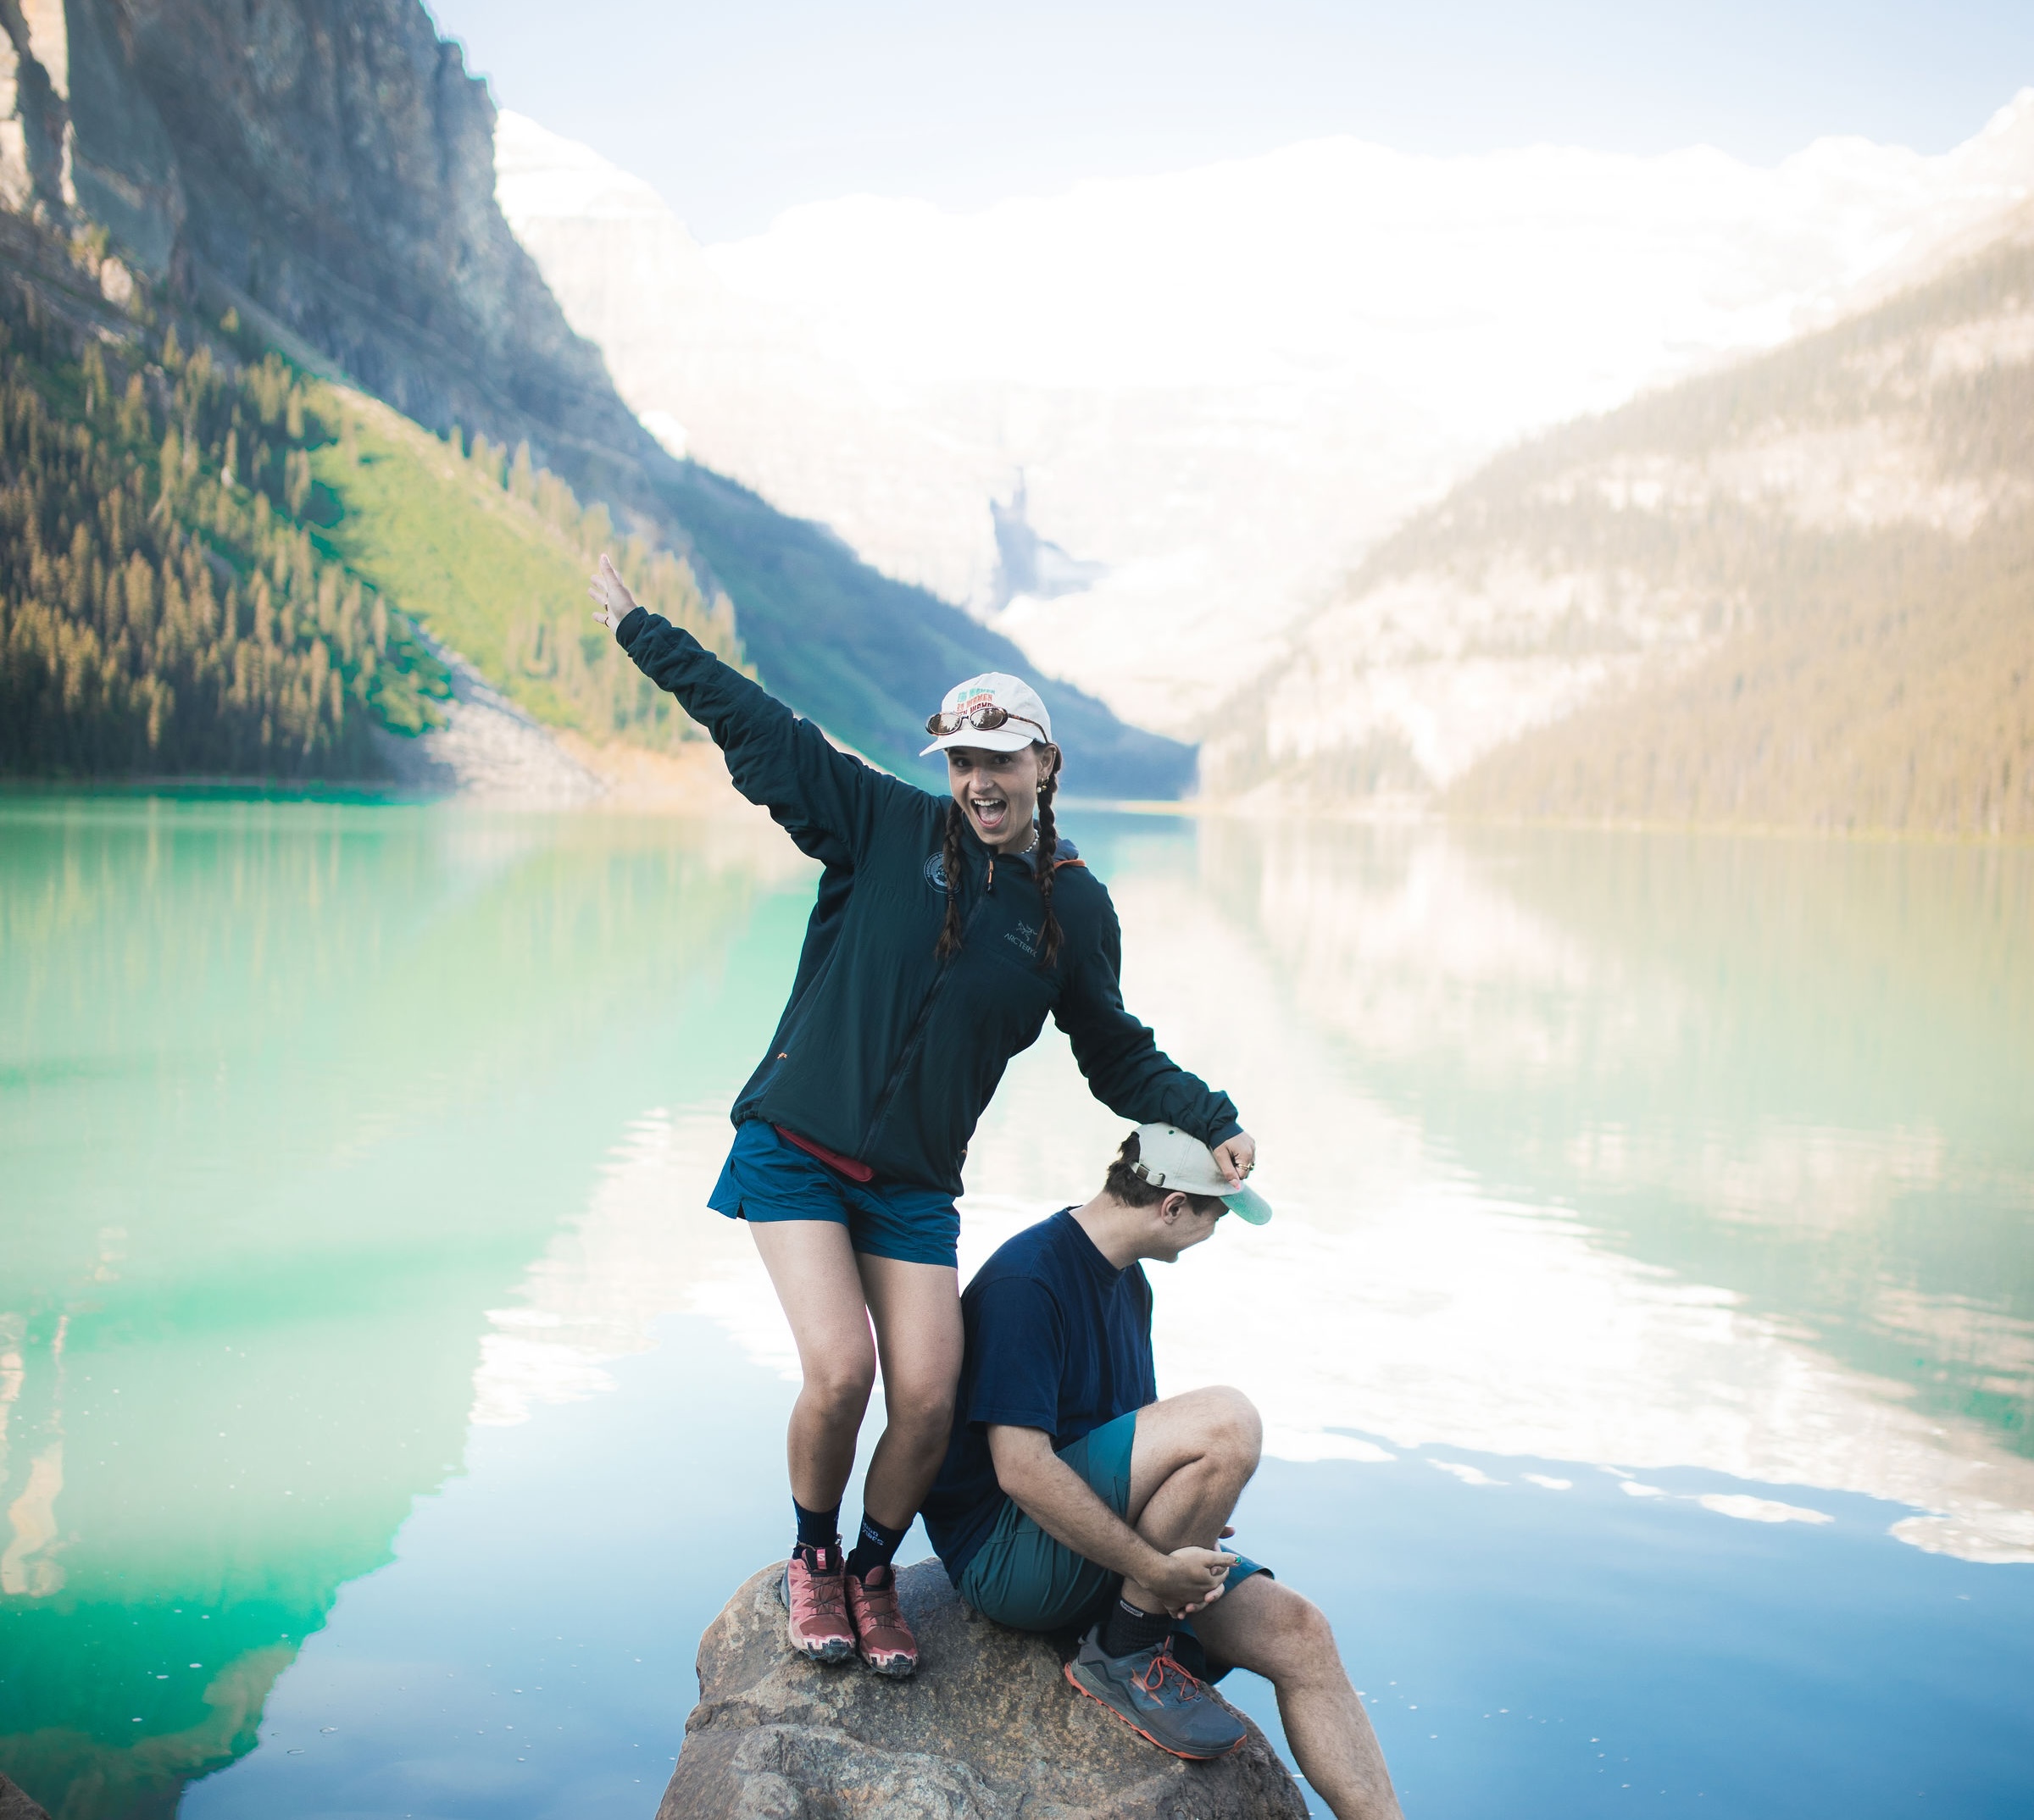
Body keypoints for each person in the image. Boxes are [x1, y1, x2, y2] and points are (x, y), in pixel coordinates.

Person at [588, 556, 1256, 1680]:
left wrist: (1210, 1118)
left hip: (911, 1183)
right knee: (841, 1372)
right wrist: (644, 631)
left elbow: (1110, 1045)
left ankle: (872, 1569)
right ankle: (813, 1556)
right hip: (797, 1146)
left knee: (935, 1400)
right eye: (960, 761)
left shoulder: (1073, 909)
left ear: (1045, 763)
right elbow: (764, 729)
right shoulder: (885, 825)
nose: (978, 781)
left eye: (1000, 759)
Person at [921, 1125, 1403, 1819]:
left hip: (1092, 1546)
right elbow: (1020, 1470)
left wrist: (1188, 1501)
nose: (1217, 1229)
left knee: (1302, 1632)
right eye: (1216, 1214)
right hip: (1006, 1555)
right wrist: (1154, 1568)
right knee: (1228, 1420)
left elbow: (1132, 1434)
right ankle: (1124, 1653)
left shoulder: (1129, 1283)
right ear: (1173, 1206)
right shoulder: (1028, 1281)